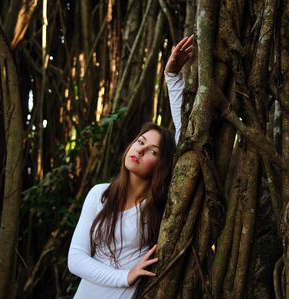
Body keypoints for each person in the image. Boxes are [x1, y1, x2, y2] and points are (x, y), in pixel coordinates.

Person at [68, 34, 194, 299]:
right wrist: (124, 276)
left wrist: (172, 76)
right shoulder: (100, 194)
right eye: (140, 142)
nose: (139, 150)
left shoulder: (158, 203)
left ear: (162, 164)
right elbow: (76, 259)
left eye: (152, 151)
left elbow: (188, 137)